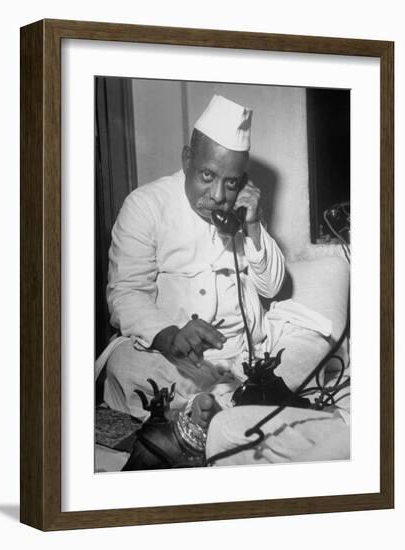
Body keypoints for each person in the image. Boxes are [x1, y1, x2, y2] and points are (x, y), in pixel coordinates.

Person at [96, 94, 350, 464]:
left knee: (314, 341)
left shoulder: (239, 213)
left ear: (243, 181)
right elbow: (126, 293)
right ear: (187, 160)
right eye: (207, 176)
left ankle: (217, 412)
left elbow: (272, 287)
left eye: (231, 183)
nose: (217, 195)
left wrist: (253, 224)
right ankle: (232, 409)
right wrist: (171, 336)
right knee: (126, 365)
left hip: (250, 355)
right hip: (176, 357)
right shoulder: (145, 205)